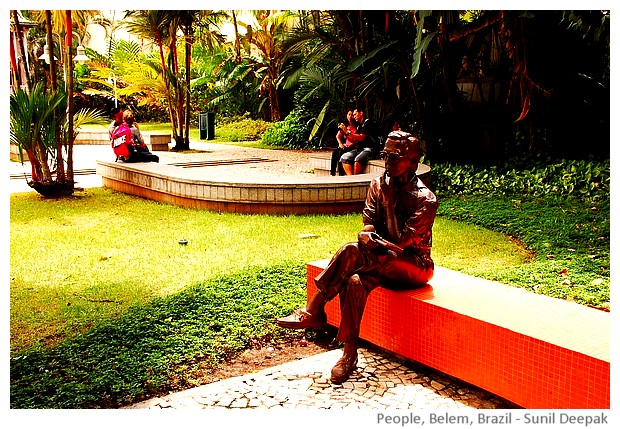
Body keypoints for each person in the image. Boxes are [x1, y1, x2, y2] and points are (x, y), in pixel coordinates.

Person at [277, 130, 437, 384]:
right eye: (385, 155)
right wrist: (366, 235)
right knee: (353, 281)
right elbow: (368, 224)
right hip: (377, 259)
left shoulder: (425, 199)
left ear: (413, 162)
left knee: (354, 251)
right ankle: (349, 354)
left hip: (413, 264)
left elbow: (401, 245)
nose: (388, 162)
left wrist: (389, 197)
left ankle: (315, 308)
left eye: (394, 157)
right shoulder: (377, 183)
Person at [339, 109, 378, 175]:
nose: (354, 116)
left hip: (370, 149)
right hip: (360, 149)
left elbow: (361, 137)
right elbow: (354, 140)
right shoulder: (359, 126)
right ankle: (351, 179)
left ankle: (356, 180)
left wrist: (348, 132)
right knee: (344, 157)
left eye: (355, 114)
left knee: (358, 160)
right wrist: (345, 132)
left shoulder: (368, 123)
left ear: (361, 113)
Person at [330, 110, 357, 176]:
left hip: (353, 146)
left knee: (340, 154)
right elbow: (338, 136)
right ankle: (332, 173)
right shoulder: (345, 126)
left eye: (352, 115)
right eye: (349, 115)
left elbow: (356, 140)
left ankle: (341, 174)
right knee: (335, 152)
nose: (350, 117)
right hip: (345, 145)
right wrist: (340, 144)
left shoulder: (356, 127)